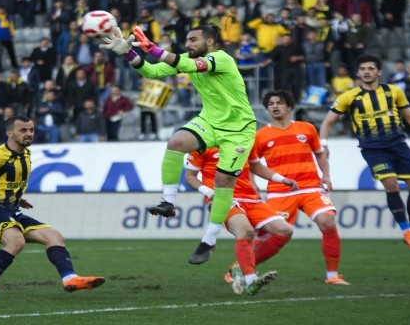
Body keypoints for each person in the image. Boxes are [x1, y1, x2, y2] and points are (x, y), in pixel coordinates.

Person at [101, 25, 256, 264]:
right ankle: (169, 202)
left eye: (193, 40)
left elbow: (188, 66)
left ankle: (209, 239)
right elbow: (151, 72)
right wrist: (127, 53)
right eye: (186, 40)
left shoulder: (221, 58)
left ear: (211, 42)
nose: (188, 44)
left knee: (223, 182)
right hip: (211, 120)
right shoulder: (186, 58)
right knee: (176, 142)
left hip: (239, 130)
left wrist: (151, 47)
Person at [0, 116, 105, 302]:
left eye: (31, 130)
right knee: (16, 242)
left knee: (55, 236)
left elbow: (7, 181)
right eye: (23, 130)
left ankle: (70, 278)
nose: (29, 134)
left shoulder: (26, 153)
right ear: (9, 133)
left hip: (12, 209)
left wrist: (17, 198)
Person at [320, 54, 410, 253]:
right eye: (363, 69)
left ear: (379, 71)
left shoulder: (393, 91)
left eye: (371, 68)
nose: (367, 72)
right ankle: (406, 231)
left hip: (398, 145)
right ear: (358, 73)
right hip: (373, 148)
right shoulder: (349, 96)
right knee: (390, 183)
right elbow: (328, 121)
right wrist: (324, 144)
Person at [257, 90, 349, 285]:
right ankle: (242, 267)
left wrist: (326, 175)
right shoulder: (260, 136)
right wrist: (254, 188)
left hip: (310, 188)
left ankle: (333, 276)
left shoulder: (307, 129)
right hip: (279, 192)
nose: (274, 106)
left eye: (279, 103)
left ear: (289, 107)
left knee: (328, 222)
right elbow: (251, 164)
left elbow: (320, 154)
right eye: (271, 104)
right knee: (269, 234)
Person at [184, 146, 295, 295]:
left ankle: (240, 268)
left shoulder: (245, 138)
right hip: (222, 198)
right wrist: (209, 192)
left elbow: (256, 166)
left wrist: (281, 179)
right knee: (246, 231)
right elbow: (190, 177)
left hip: (250, 198)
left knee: (285, 230)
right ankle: (251, 280)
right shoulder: (203, 143)